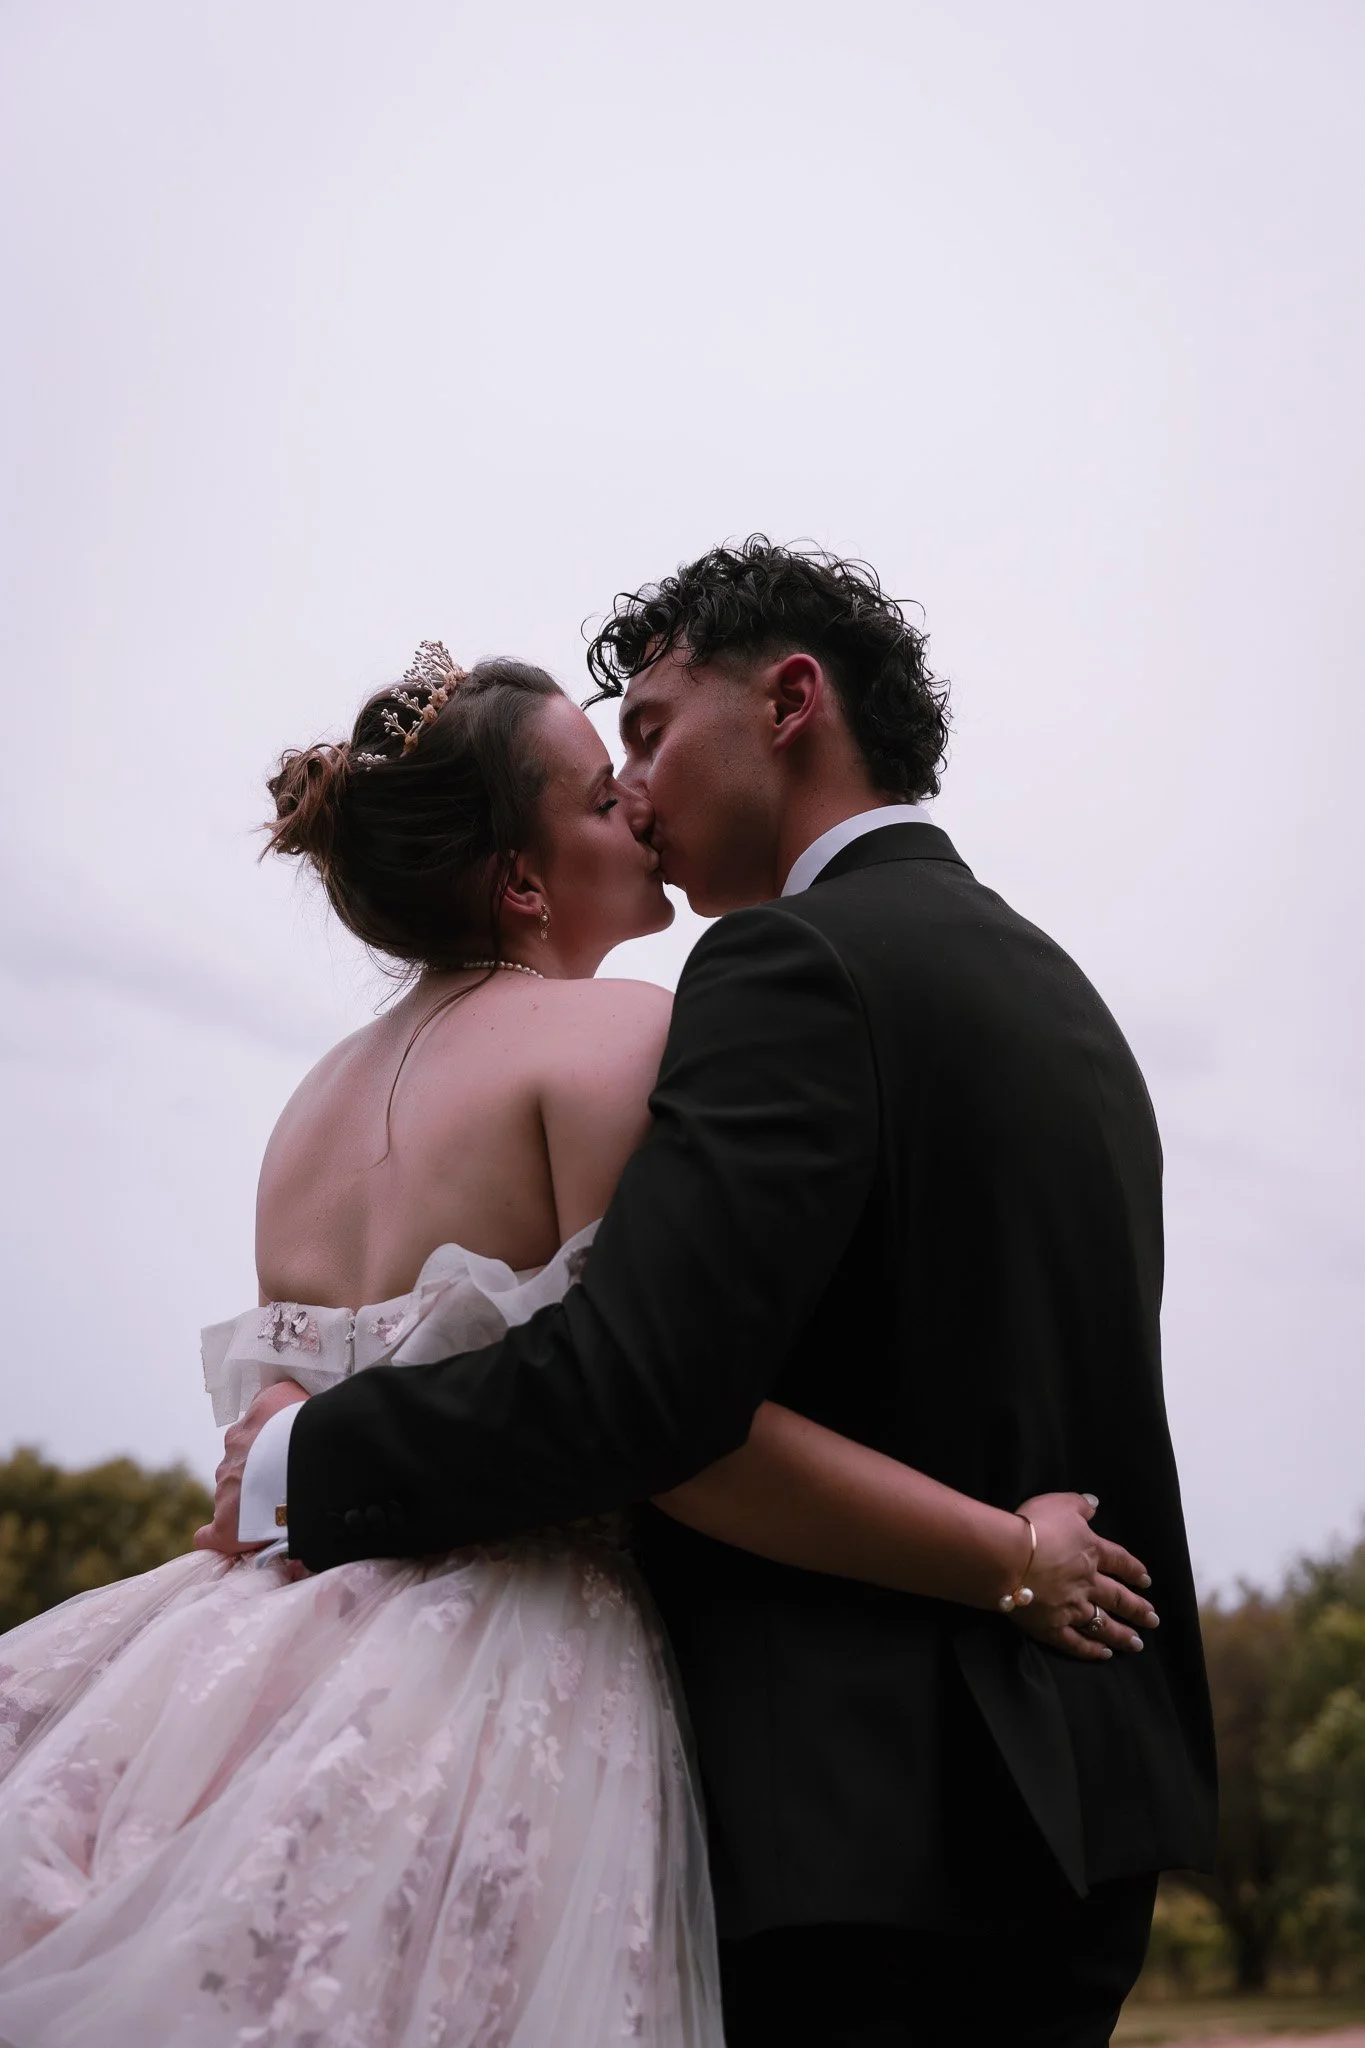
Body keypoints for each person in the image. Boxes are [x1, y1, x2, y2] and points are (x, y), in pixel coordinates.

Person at [0, 637, 1151, 2048]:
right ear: (528, 881)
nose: (646, 814)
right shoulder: (615, 1038)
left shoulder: (305, 1110)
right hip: (514, 1680)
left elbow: (281, 1430)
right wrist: (1005, 1561)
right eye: (608, 797)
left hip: (271, 1656)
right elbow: (667, 1418)